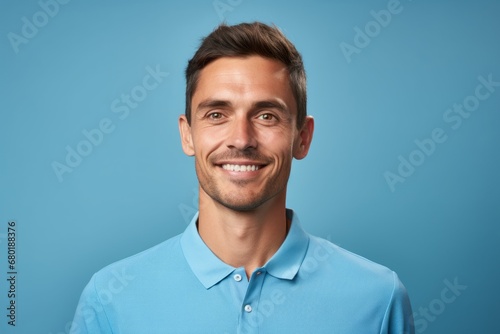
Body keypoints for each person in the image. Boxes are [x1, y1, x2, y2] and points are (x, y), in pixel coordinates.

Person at [70, 22, 414, 334]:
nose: (241, 138)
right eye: (217, 114)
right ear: (187, 135)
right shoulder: (110, 300)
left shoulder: (378, 299)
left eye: (266, 115)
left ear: (302, 137)